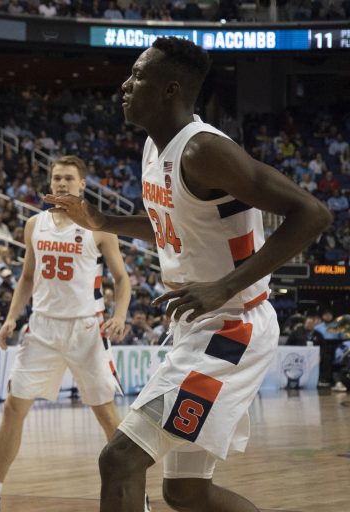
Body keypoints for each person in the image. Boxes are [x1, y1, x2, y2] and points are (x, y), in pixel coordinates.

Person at [45, 37, 332, 512]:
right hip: (199, 326)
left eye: (138, 76)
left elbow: (313, 213)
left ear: (169, 90)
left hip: (233, 329)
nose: (125, 84)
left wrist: (225, 285)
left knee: (119, 460)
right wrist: (102, 221)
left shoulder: (204, 151)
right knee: (185, 492)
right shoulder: (155, 150)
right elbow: (169, 226)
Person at [0, 155, 132, 512]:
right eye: (57, 178)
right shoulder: (34, 224)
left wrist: (120, 313)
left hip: (87, 330)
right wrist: (11, 318)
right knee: (13, 407)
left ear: (82, 185)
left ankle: (134, 493)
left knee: (107, 415)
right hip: (43, 328)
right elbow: (28, 278)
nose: (61, 184)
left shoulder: (99, 226)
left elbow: (122, 279)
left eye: (69, 179)